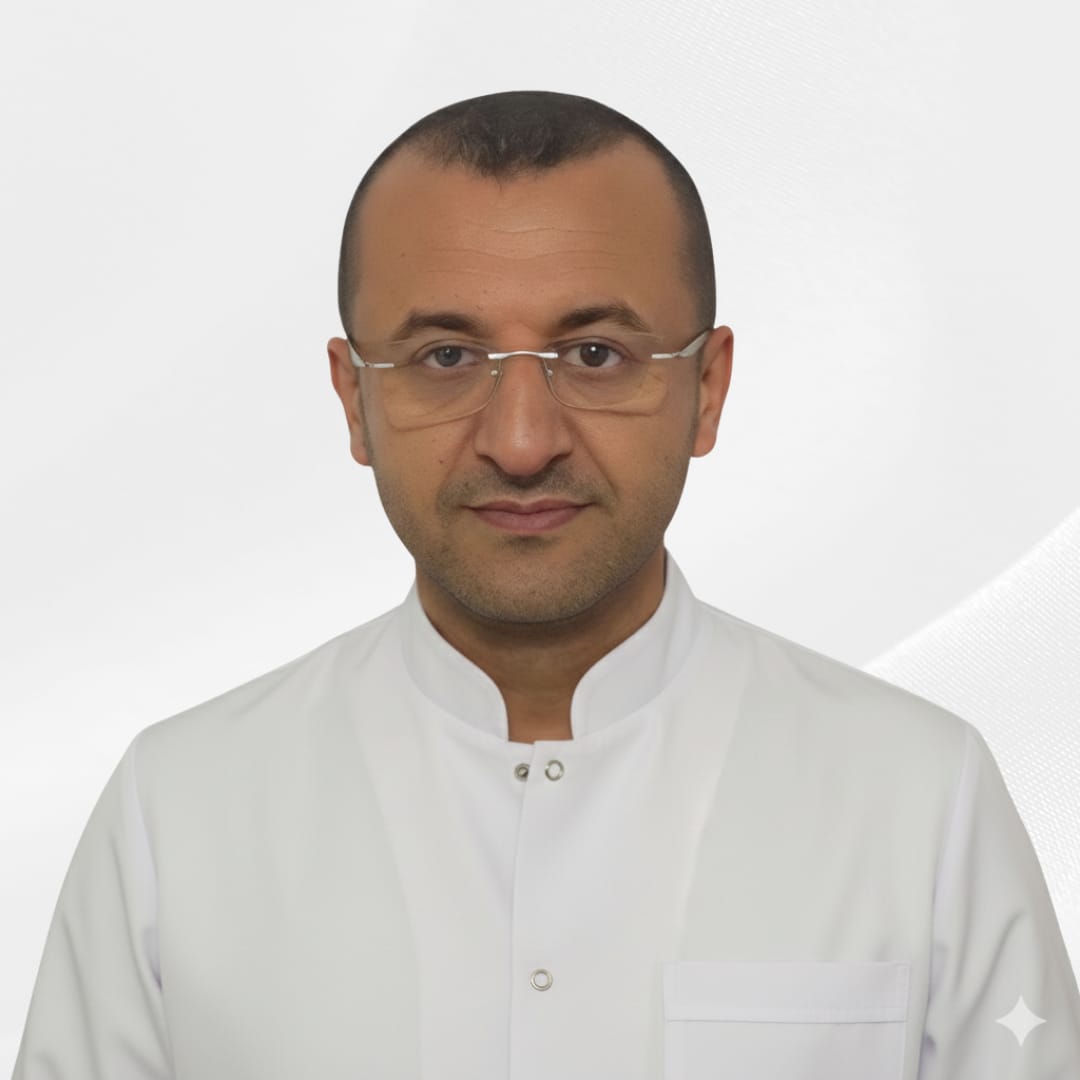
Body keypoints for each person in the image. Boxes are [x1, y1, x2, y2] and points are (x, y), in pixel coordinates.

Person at [12, 90, 1080, 1079]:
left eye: (596, 354)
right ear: (353, 401)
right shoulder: (181, 813)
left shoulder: (916, 799)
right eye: (445, 358)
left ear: (707, 390)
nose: (522, 443)